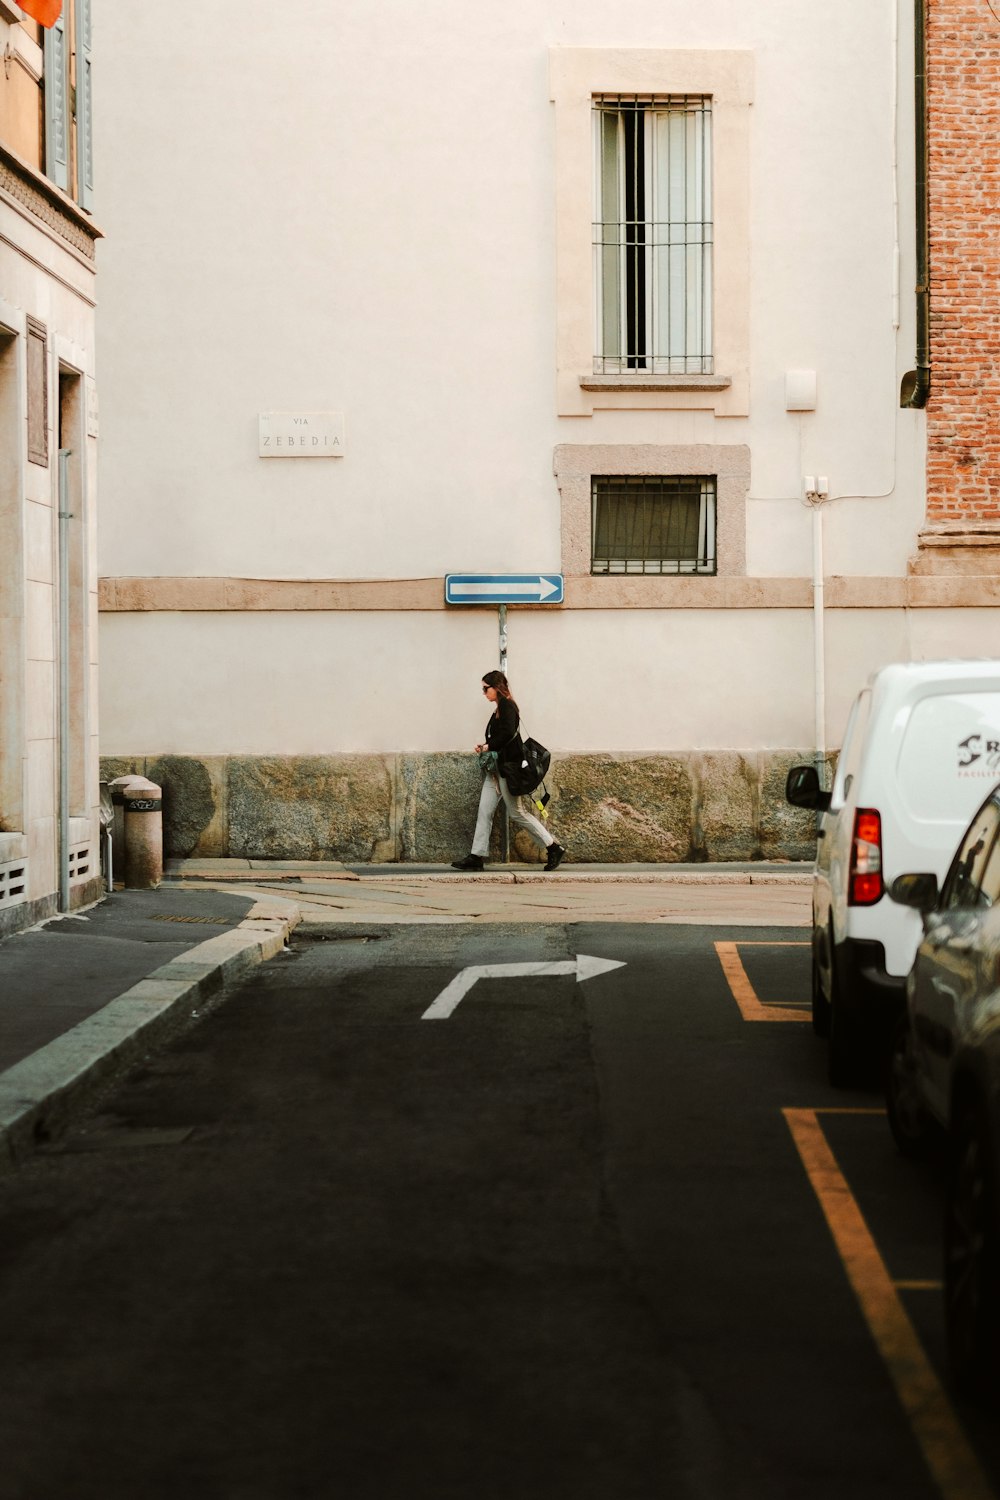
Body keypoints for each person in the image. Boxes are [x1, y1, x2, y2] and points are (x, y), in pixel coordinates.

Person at [451, 670, 566, 871]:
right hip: (495, 770)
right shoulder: (498, 709)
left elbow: (507, 734)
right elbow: (498, 736)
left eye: (486, 688)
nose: (484, 692)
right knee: (484, 812)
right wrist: (485, 745)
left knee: (517, 813)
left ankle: (553, 847)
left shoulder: (508, 706)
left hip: (508, 769)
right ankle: (476, 857)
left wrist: (488, 746)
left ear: (497, 687)